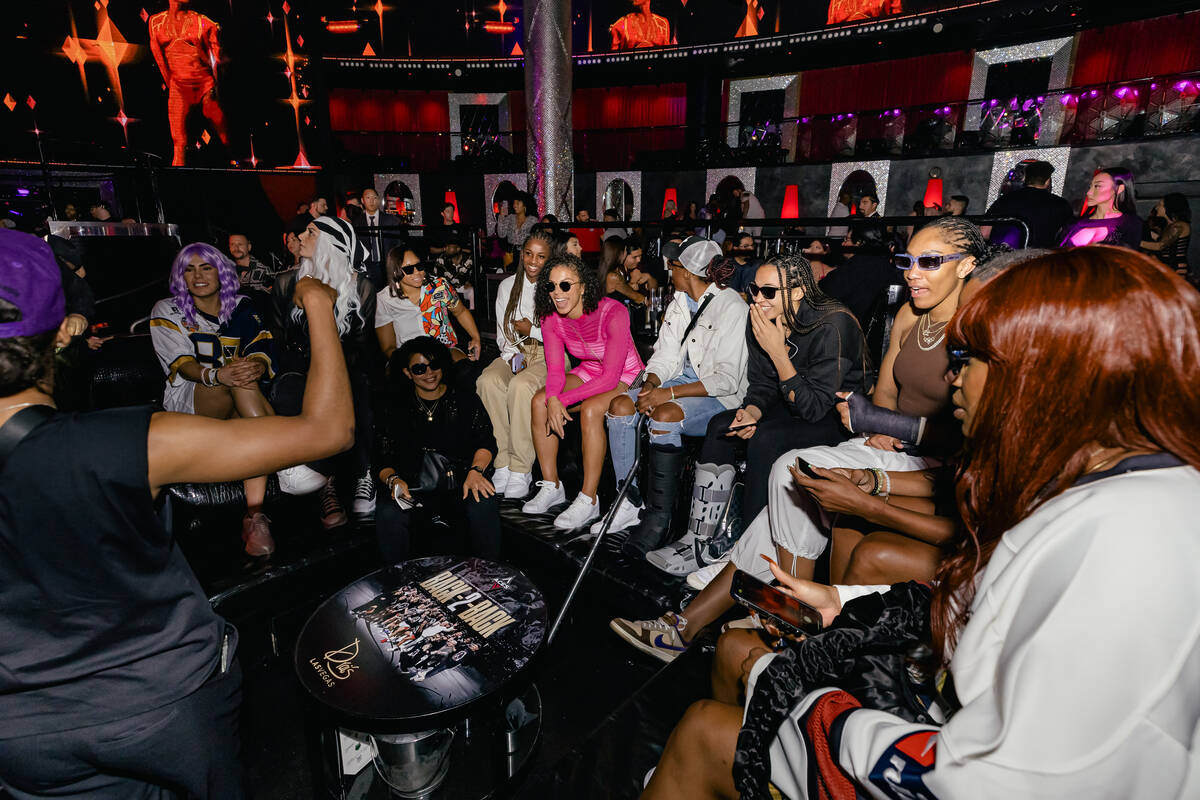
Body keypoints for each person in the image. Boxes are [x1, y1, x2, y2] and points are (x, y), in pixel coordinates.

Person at [645, 246, 1200, 800]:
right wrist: (843, 600)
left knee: (701, 726)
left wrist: (815, 707)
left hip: (931, 761)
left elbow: (986, 780)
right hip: (944, 719)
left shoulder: (1126, 544)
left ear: (1043, 376)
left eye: (969, 357)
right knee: (739, 643)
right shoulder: (1093, 492)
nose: (954, 378)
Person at [0, 228, 353, 798]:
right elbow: (331, 430)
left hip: (22, 735)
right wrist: (317, 303)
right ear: (68, 330)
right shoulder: (125, 443)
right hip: (166, 707)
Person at [612, 218, 987, 662]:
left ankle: (772, 622)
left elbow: (818, 407)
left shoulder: (975, 328)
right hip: (879, 441)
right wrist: (876, 427)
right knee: (784, 467)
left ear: (965, 267)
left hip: (911, 451)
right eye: (908, 261)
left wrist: (890, 433)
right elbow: (881, 393)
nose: (911, 272)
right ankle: (726, 610)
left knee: (787, 460)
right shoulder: (909, 315)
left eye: (929, 262)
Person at [607, 238, 748, 566]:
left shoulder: (733, 308)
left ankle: (660, 517)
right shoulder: (679, 302)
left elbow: (725, 380)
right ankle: (627, 501)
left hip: (719, 396)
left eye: (675, 265)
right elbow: (666, 354)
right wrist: (652, 383)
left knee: (666, 415)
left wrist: (665, 394)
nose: (669, 269)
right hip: (677, 384)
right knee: (620, 406)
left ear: (688, 271)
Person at [151, 243, 277, 555]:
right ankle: (284, 456)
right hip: (190, 401)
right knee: (236, 374)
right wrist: (217, 376)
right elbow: (183, 365)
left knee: (242, 378)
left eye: (205, 267)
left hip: (240, 399)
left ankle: (255, 517)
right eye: (189, 269)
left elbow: (263, 348)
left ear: (221, 272)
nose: (197, 275)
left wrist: (256, 365)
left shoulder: (243, 306)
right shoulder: (167, 309)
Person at [521, 255, 644, 529]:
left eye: (565, 286)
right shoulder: (550, 316)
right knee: (540, 400)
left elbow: (611, 377)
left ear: (583, 287)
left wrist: (560, 401)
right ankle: (552, 485)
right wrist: (553, 400)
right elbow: (554, 371)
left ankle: (588, 499)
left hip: (627, 375)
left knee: (590, 410)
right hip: (590, 370)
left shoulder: (613, 312)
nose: (557, 293)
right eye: (550, 287)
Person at [269, 216, 377, 528]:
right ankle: (324, 482)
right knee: (290, 388)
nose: (300, 236)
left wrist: (336, 368)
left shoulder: (363, 288)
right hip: (299, 365)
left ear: (331, 243)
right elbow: (276, 337)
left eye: (311, 232)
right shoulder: (286, 283)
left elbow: (363, 345)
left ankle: (363, 474)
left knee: (362, 386)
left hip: (346, 367)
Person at [375, 337, 500, 562]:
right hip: (413, 488)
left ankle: (490, 576)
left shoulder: (464, 399)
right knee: (388, 512)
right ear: (407, 372)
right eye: (419, 368)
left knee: (483, 501)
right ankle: (397, 583)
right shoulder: (396, 407)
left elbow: (485, 442)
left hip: (460, 483)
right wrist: (394, 481)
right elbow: (381, 457)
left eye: (434, 365)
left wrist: (476, 472)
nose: (429, 373)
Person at [476, 230, 554, 501]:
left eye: (541, 256)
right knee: (488, 381)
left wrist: (532, 330)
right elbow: (502, 333)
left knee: (521, 387)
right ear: (522, 254)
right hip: (516, 352)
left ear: (550, 259)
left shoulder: (556, 286)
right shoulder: (508, 286)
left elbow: (564, 335)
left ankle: (522, 468)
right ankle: (504, 462)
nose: (533, 261)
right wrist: (515, 359)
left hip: (550, 355)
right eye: (529, 254)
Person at [148, 0, 230, 166]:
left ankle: (239, 177)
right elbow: (160, 60)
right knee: (179, 144)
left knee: (224, 138)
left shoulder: (205, 24)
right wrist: (174, 87)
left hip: (205, 87)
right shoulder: (156, 23)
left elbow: (219, 64)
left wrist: (215, 90)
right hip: (179, 87)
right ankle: (177, 188)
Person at [374, 247, 482, 362]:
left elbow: (460, 312)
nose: (417, 272)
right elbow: (388, 347)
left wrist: (475, 337)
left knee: (467, 371)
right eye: (409, 269)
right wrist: (405, 363)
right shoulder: (385, 299)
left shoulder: (439, 286)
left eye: (419, 266)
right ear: (396, 271)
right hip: (408, 357)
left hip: (445, 349)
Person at [982, 159, 1074, 248]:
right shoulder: (1061, 204)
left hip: (1004, 258)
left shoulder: (1005, 199)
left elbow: (984, 232)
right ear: (1047, 181)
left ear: (1025, 178)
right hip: (1041, 260)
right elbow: (1069, 237)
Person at [820, 221, 897, 325]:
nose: (843, 244)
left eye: (847, 239)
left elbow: (824, 291)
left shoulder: (858, 265)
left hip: (848, 329)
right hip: (872, 329)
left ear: (859, 243)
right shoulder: (885, 264)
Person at [1060, 166, 1142, 248]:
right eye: (1090, 187)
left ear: (1119, 189)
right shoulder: (1075, 223)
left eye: (1097, 186)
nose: (1089, 193)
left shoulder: (1130, 224)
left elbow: (1127, 257)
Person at [357, 187, 400, 290]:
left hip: (387, 266)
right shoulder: (357, 223)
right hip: (367, 268)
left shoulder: (391, 220)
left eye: (374, 198)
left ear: (379, 200)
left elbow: (397, 245)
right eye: (368, 198)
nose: (372, 201)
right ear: (363, 201)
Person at [1141, 193, 1192, 279]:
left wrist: (1134, 240)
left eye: (1160, 205)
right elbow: (1162, 241)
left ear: (1169, 208)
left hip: (1176, 269)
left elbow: (1160, 246)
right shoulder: (1168, 226)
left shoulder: (1179, 226)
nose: (1157, 207)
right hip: (1168, 268)